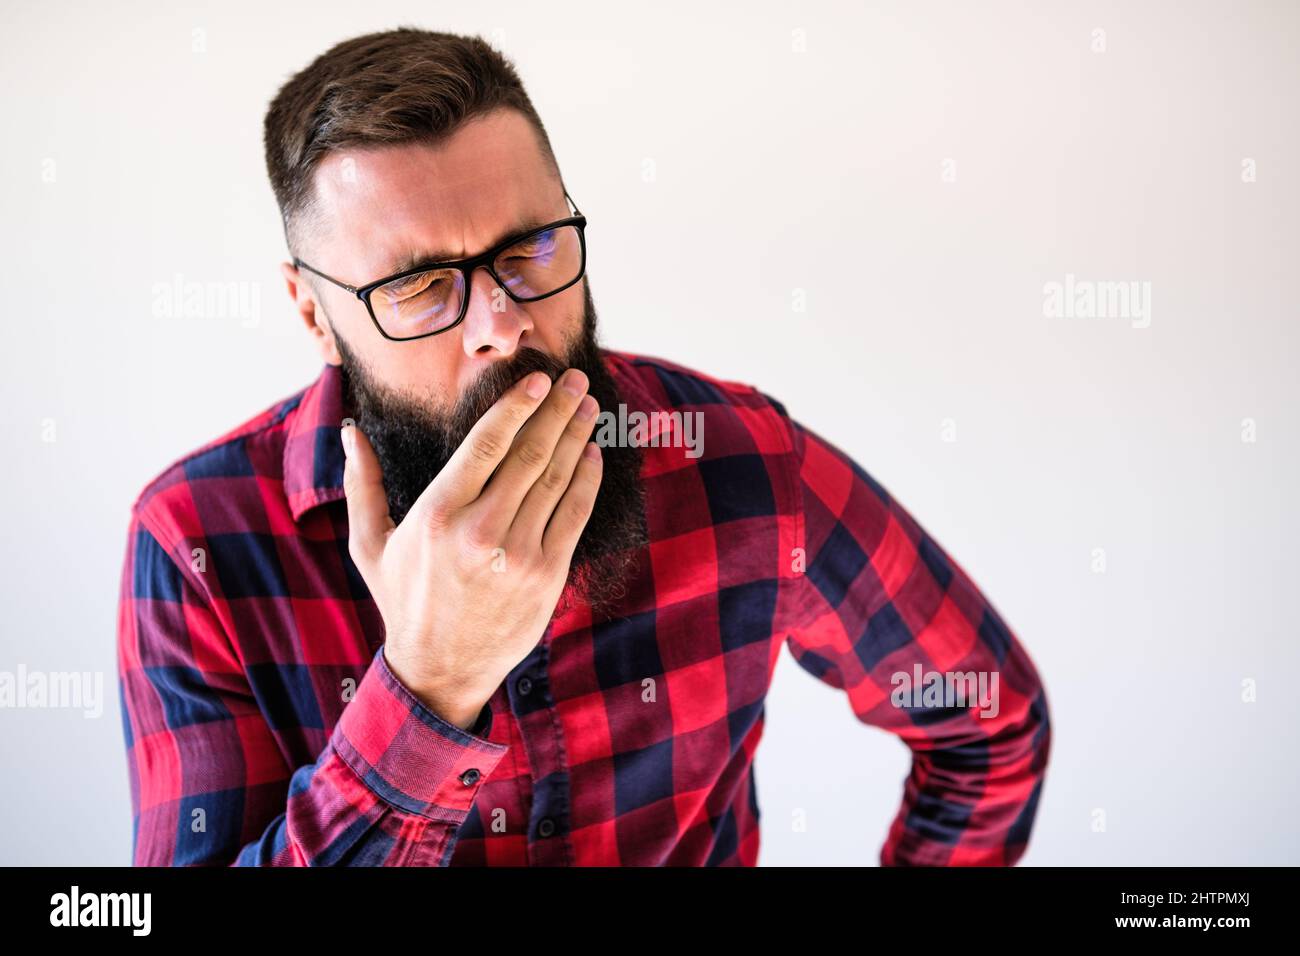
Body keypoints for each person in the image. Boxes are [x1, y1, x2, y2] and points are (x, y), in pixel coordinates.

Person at [117, 27, 1051, 866]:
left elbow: (988, 718)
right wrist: (429, 689)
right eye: (419, 286)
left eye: (530, 249)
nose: (503, 323)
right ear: (314, 313)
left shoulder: (739, 461)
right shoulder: (197, 541)